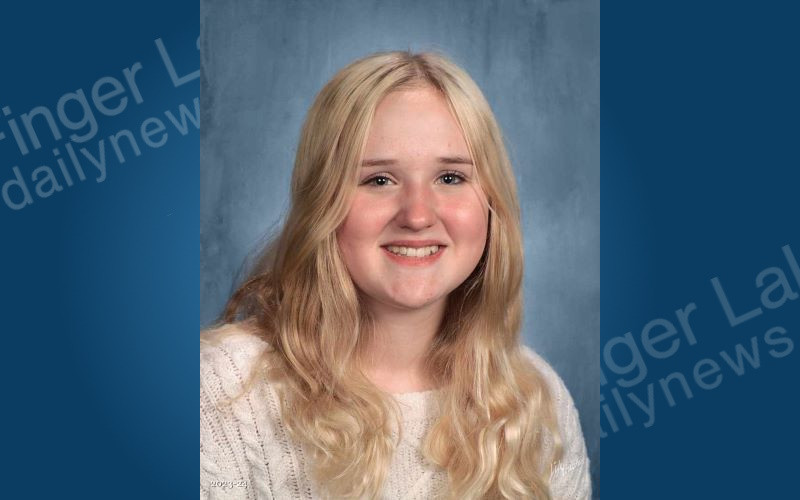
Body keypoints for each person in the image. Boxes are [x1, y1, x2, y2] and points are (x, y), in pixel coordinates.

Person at [200, 51, 590, 500]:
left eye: (450, 177)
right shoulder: (221, 393)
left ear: (491, 203)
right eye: (380, 180)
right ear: (322, 204)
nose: (418, 216)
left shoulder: (537, 401)